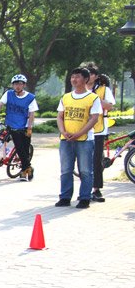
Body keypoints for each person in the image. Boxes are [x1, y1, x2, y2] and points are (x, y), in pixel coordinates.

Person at [55, 67, 102, 209]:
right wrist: (63, 131)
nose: (74, 80)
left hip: (85, 140)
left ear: (86, 79)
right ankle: (64, 197)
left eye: (77, 77)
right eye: (72, 77)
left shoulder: (93, 98)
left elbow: (94, 119)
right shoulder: (66, 97)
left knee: (86, 170)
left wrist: (80, 133)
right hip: (66, 140)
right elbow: (60, 116)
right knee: (66, 170)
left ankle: (84, 198)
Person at [0, 74, 38, 181]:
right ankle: (27, 169)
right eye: (15, 84)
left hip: (24, 126)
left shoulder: (30, 98)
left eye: (20, 84)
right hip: (11, 125)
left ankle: (25, 169)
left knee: (24, 149)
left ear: (24, 85)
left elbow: (31, 114)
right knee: (19, 147)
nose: (17, 86)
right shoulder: (8, 94)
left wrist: (29, 128)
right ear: (12, 85)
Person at [86, 65, 116, 202]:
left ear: (96, 76)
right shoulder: (79, 89)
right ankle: (84, 189)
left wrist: (94, 98)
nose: (89, 76)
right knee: (83, 160)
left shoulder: (104, 90)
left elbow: (109, 106)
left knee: (96, 159)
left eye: (92, 73)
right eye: (86, 73)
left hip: (98, 129)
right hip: (82, 129)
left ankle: (96, 189)